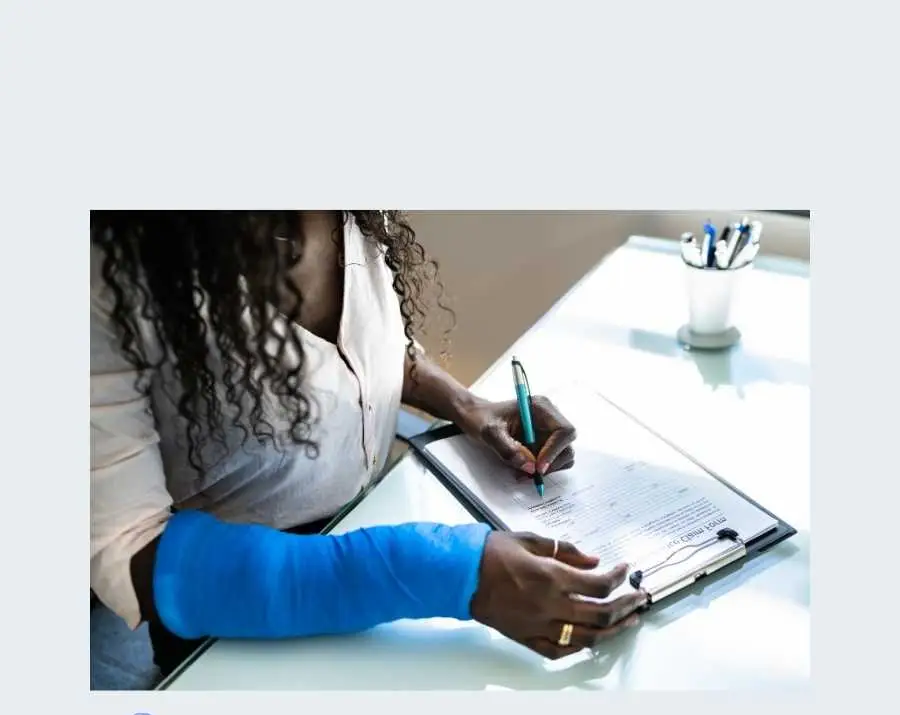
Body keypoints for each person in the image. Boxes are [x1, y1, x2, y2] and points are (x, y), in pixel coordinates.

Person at [90, 211, 647, 678]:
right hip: (236, 620)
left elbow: (363, 353)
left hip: (371, 537)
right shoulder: (104, 275)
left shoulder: (352, 209)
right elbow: (132, 554)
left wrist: (467, 406)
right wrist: (436, 568)